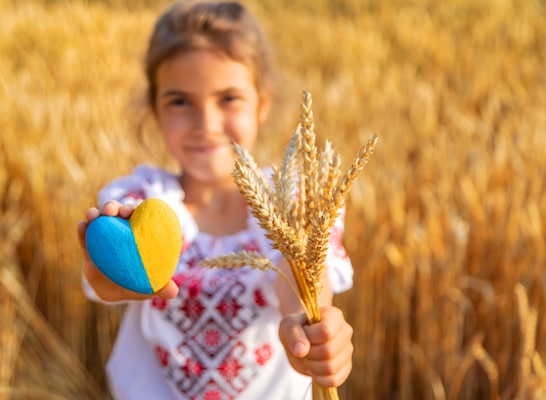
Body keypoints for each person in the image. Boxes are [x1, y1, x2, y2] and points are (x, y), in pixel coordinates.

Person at [76, 1, 354, 399]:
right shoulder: (139, 200)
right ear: (154, 109)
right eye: (180, 101)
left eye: (228, 99)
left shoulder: (296, 201)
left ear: (263, 104)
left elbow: (304, 276)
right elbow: (108, 283)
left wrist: (308, 323)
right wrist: (111, 275)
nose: (206, 125)